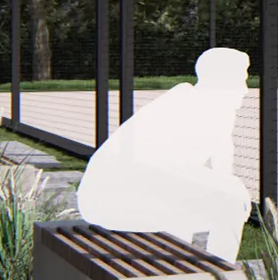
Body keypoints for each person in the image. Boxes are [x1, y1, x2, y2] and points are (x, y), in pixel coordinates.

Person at [74, 47, 253, 259]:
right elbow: (166, 167)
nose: (245, 90)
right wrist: (231, 190)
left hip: (126, 195)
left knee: (222, 200)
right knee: (230, 205)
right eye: (240, 81)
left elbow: (220, 171)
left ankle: (206, 266)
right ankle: (221, 269)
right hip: (110, 202)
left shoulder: (211, 108)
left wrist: (229, 187)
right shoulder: (188, 107)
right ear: (220, 82)